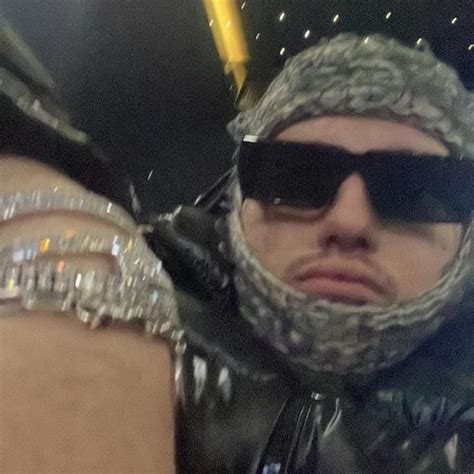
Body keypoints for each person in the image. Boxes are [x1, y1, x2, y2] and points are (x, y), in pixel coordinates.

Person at [1, 30, 473, 473]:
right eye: (294, 177)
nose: (348, 223)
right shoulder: (87, 308)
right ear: (237, 203)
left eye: (416, 189)